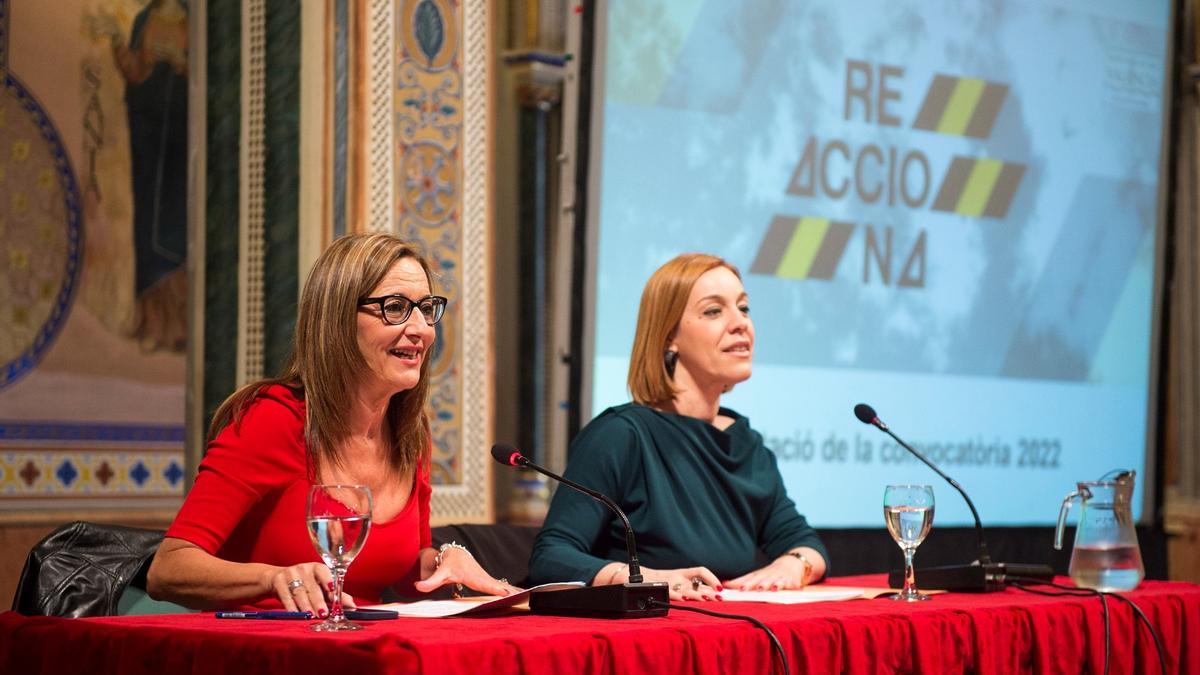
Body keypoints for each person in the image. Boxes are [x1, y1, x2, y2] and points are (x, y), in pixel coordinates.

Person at [147, 233, 514, 614]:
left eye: (425, 308)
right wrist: (273, 578)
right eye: (395, 307)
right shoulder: (272, 419)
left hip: (365, 650)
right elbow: (169, 568)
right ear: (338, 320)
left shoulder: (410, 432)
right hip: (266, 649)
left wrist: (443, 562)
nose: (421, 328)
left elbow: (407, 572)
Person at [529, 253, 828, 600]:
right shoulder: (621, 435)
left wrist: (794, 564)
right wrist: (643, 579)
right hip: (645, 637)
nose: (740, 323)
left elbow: (805, 542)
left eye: (743, 308)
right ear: (669, 335)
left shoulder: (746, 444)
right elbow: (550, 557)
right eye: (714, 311)